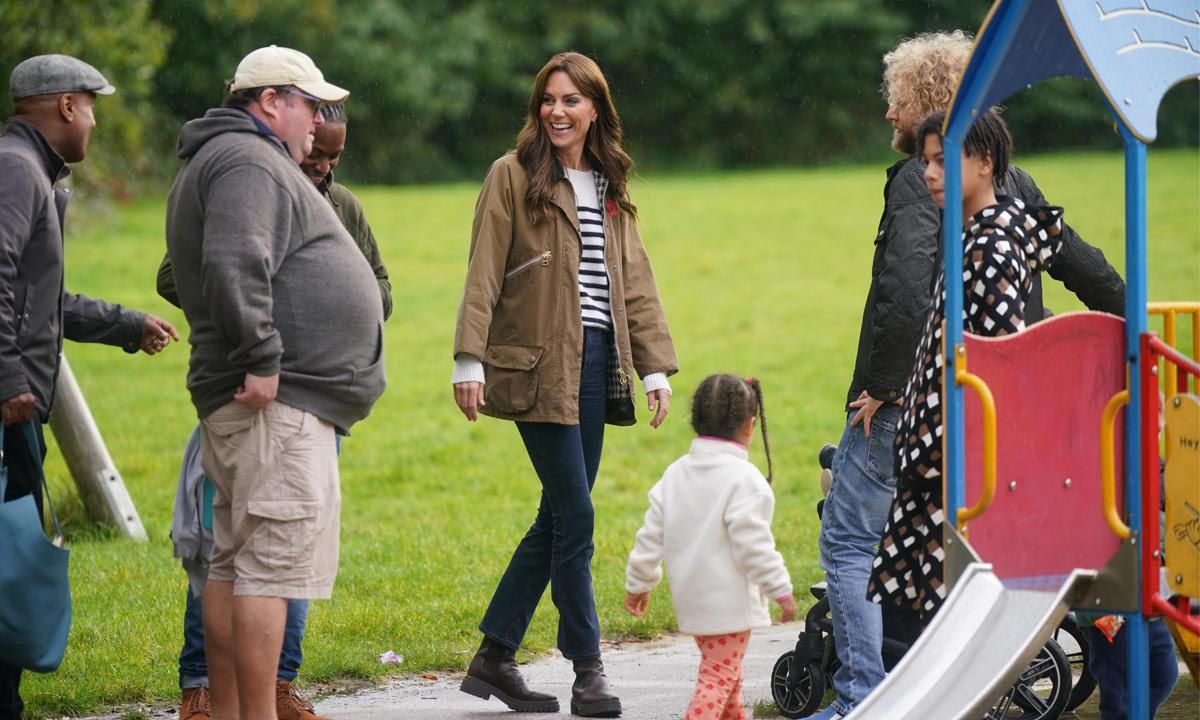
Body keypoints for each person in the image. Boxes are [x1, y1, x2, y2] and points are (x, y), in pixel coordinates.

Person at [811, 30, 1125, 720]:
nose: (890, 116)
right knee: (966, 541)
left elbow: (904, 288)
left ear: (928, 109)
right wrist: (1135, 320)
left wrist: (884, 390)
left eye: (896, 101)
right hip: (1003, 405)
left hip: (925, 398)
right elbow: (1082, 262)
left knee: (852, 537)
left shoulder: (918, 185)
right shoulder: (1017, 184)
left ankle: (863, 694)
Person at [452, 51, 677, 718]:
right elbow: (483, 270)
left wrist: (655, 365)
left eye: (571, 100)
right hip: (535, 364)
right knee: (576, 515)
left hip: (598, 362)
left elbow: (633, 280)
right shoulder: (511, 175)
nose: (556, 110)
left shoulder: (609, 183)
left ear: (596, 110)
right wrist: (470, 358)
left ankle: (495, 655)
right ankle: (588, 670)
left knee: (557, 515)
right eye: (548, 99)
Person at [164, 46, 386, 720]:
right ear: (270, 102)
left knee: (235, 561)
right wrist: (262, 358)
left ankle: (234, 712)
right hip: (276, 404)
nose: (318, 123)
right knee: (265, 567)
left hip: (275, 404)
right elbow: (236, 262)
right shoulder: (246, 159)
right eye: (310, 105)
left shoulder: (236, 158)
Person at [0, 54, 180, 720]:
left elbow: (40, 298)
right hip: (8, 404)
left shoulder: (31, 171)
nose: (97, 120)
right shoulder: (17, 172)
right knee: (10, 563)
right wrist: (9, 377)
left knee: (12, 560)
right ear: (65, 105)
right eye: (92, 105)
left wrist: (127, 325)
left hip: (17, 400)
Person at [866, 109, 1064, 637]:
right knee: (908, 618)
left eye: (941, 161)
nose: (929, 173)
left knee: (918, 629)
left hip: (954, 463)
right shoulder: (971, 235)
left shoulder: (992, 245)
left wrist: (961, 449)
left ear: (984, 162)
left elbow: (996, 357)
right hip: (937, 455)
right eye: (925, 161)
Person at [624, 374, 796, 720]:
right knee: (718, 678)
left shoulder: (675, 474)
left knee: (728, 676)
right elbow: (754, 545)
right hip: (728, 608)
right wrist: (780, 590)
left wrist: (638, 583)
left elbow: (649, 536)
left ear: (695, 421)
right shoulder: (745, 480)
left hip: (692, 602)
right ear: (750, 426)